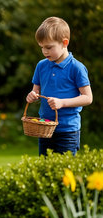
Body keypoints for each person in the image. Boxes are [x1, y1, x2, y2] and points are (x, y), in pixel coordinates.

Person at [25, 17, 92, 156]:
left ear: (64, 43)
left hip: (68, 130)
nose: (44, 51)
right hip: (44, 127)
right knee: (45, 170)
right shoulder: (41, 66)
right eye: (42, 47)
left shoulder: (76, 68)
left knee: (65, 171)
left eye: (49, 47)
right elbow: (35, 92)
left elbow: (87, 98)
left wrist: (62, 103)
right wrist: (32, 96)